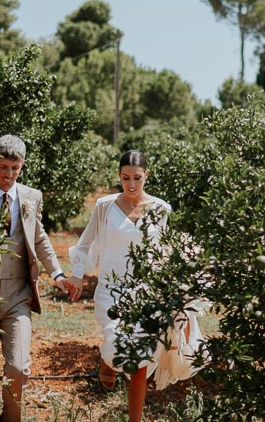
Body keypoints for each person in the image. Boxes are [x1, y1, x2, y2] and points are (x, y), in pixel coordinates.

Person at [68, 149, 203, 422]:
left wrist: (180, 294)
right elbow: (85, 244)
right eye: (125, 178)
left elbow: (169, 253)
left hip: (146, 293)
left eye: (137, 178)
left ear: (147, 176)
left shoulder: (162, 210)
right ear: (119, 175)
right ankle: (107, 361)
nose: (131, 184)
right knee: (117, 342)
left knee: (139, 362)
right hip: (110, 291)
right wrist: (77, 274)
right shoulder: (104, 206)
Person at [0, 134, 78, 422]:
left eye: (15, 169)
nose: (9, 175)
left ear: (22, 166)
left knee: (17, 368)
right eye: (3, 167)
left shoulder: (32, 197)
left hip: (18, 295)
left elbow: (39, 238)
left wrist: (57, 273)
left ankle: (11, 418)